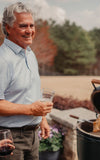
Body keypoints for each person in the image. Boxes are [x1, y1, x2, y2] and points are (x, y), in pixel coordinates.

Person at [0, 2, 53, 160]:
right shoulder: (2, 60)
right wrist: (31, 110)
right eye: (23, 26)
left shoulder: (30, 54)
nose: (30, 31)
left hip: (32, 136)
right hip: (9, 138)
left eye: (32, 25)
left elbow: (33, 92)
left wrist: (42, 119)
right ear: (8, 28)